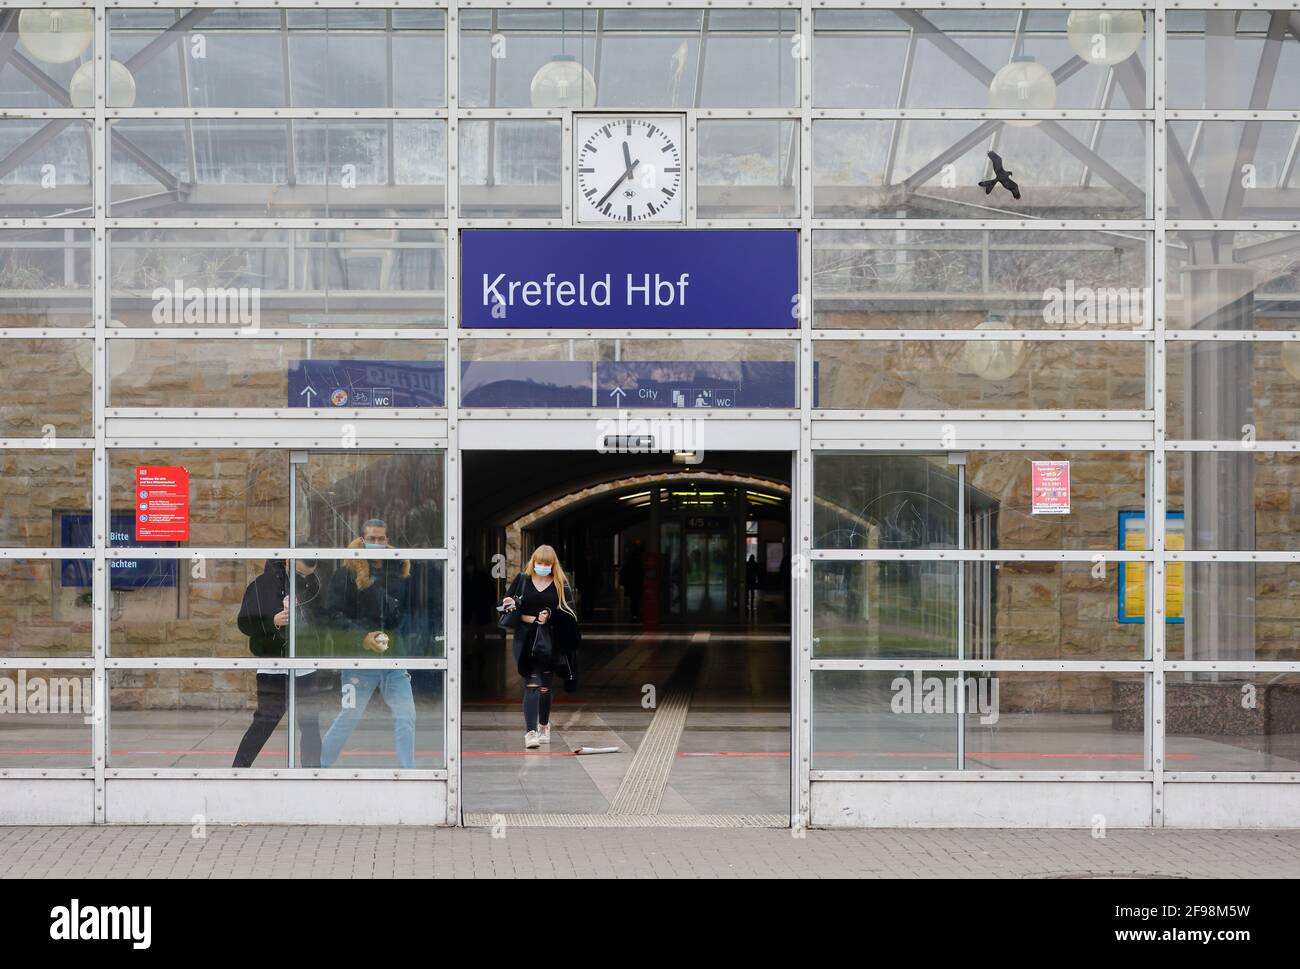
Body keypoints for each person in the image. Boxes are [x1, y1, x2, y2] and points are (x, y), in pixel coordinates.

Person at [320, 519, 418, 769]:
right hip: (359, 659)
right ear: (362, 540)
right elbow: (334, 614)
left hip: (394, 657)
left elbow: (404, 613)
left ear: (387, 540)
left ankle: (409, 772)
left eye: (381, 539)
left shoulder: (398, 572)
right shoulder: (346, 574)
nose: (376, 543)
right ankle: (320, 765)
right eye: (371, 538)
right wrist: (361, 636)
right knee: (350, 715)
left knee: (407, 715)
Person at [233, 558, 324, 768]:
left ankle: (313, 773)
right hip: (274, 663)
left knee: (310, 723)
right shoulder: (262, 584)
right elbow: (245, 622)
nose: (305, 577)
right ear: (288, 561)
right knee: (265, 720)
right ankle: (239, 769)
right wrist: (272, 622)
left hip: (305, 665)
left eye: (308, 574)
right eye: (301, 573)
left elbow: (320, 618)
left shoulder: (312, 584)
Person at [500, 545, 581, 750]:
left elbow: (571, 611)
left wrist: (550, 617)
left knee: (545, 686)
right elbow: (502, 606)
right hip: (525, 638)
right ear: (533, 561)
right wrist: (511, 605)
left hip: (550, 639)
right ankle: (530, 732)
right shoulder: (522, 580)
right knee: (531, 683)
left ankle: (544, 725)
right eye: (539, 563)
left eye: (546, 564)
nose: (542, 567)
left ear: (553, 565)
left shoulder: (560, 583)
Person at [620, 541, 644, 621]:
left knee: (633, 599)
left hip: (631, 584)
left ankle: (634, 613)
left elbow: (623, 573)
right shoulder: (640, 563)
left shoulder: (628, 562)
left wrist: (623, 583)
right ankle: (636, 613)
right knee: (637, 599)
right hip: (637, 584)